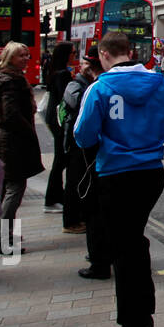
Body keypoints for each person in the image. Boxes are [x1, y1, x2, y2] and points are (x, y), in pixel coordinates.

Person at [73, 31, 164, 327]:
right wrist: (150, 137)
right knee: (135, 243)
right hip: (151, 174)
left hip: (116, 174)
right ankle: (145, 317)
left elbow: (83, 136)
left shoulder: (100, 88)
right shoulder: (159, 83)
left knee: (124, 251)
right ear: (130, 51)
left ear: (104, 55)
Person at [0, 42, 44, 254]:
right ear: (10, 57)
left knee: (4, 190)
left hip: (4, 140)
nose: (26, 58)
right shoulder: (11, 80)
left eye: (27, 55)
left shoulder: (1, 76)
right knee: (15, 189)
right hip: (13, 142)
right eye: (21, 55)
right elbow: (11, 114)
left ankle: (0, 236)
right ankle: (2, 239)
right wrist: (28, 130)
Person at [62, 48, 109, 279]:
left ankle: (99, 259)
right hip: (89, 155)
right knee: (91, 203)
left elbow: (83, 131)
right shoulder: (84, 87)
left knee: (96, 210)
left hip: (97, 157)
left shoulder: (96, 88)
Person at [42, 43, 75, 219]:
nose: (74, 55)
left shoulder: (55, 72)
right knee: (61, 160)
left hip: (53, 120)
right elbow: (67, 98)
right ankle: (52, 198)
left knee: (60, 160)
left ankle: (54, 197)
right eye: (73, 52)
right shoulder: (63, 75)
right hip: (60, 122)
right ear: (66, 55)